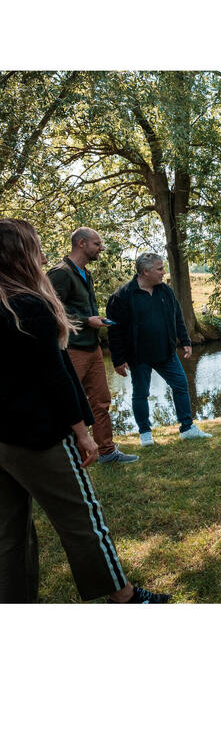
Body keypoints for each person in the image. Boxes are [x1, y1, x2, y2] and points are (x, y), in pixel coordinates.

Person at [0, 219, 169, 603]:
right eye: (36, 247)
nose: (43, 255)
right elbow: (55, 377)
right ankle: (124, 597)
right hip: (38, 435)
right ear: (21, 254)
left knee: (9, 533)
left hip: (3, 437)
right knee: (83, 520)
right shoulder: (31, 305)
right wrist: (83, 432)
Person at [47, 227, 139, 465]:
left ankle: (107, 452)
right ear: (81, 243)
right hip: (72, 349)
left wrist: (95, 319)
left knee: (101, 401)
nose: (101, 248)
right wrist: (87, 321)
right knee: (69, 404)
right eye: (97, 244)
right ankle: (69, 457)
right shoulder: (60, 273)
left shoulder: (86, 273)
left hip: (93, 347)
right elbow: (52, 311)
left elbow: (78, 309)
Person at [106, 252, 212, 446]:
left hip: (166, 352)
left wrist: (185, 340)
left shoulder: (165, 291)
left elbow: (177, 316)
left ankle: (187, 428)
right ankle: (145, 434)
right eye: (160, 269)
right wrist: (118, 360)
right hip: (138, 356)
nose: (164, 272)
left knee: (180, 384)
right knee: (140, 393)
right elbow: (115, 332)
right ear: (145, 272)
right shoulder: (122, 296)